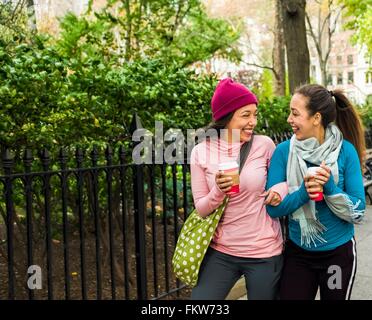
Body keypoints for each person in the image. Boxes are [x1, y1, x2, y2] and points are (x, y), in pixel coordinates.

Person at [189, 78, 287, 300]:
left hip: (264, 251)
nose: (253, 121)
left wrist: (279, 191)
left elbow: (284, 181)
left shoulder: (264, 145)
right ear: (225, 117)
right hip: (221, 251)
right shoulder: (200, 152)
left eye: (255, 114)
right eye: (245, 115)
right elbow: (202, 209)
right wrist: (218, 191)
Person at [266, 84, 366, 300]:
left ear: (316, 118)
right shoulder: (283, 152)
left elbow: (358, 210)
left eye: (295, 113)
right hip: (299, 255)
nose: (289, 120)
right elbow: (272, 211)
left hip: (337, 257)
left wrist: (329, 187)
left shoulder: (345, 151)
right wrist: (303, 192)